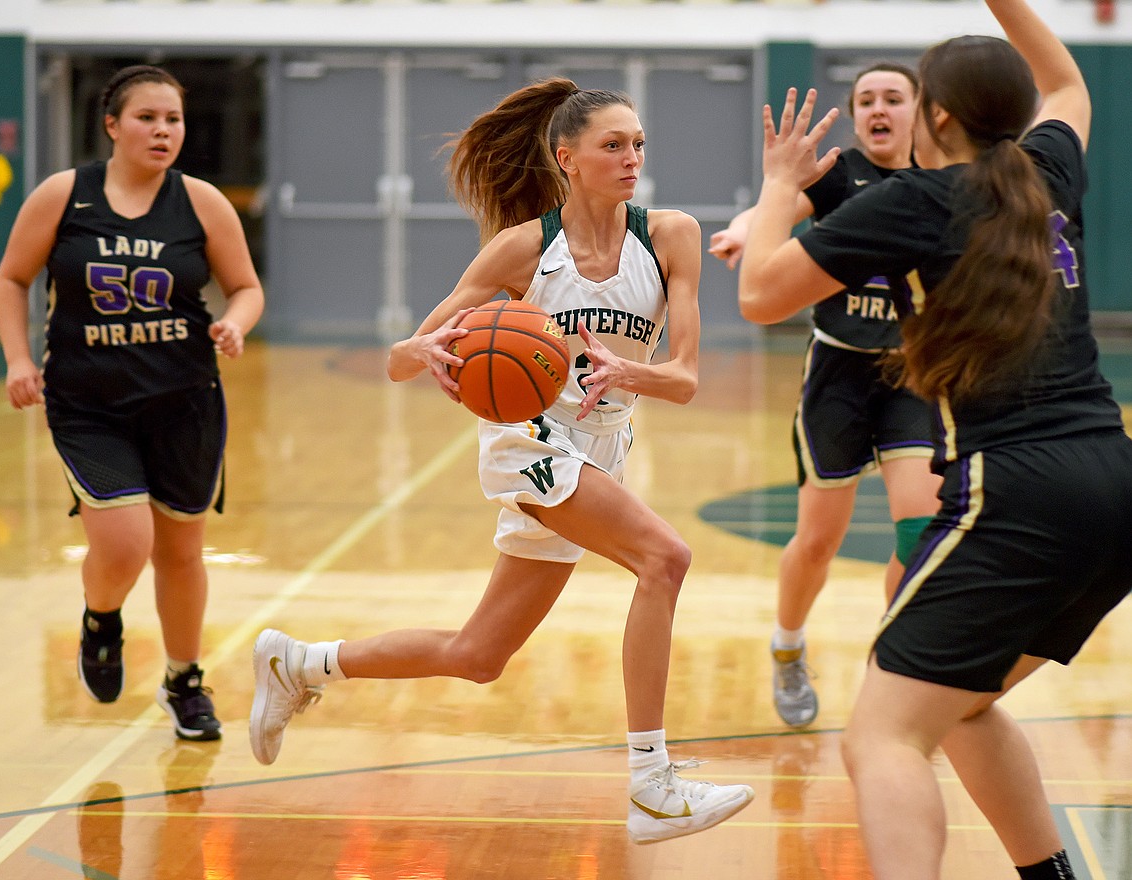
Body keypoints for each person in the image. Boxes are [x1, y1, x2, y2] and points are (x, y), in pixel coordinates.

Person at [249, 77, 755, 844]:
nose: (631, 159)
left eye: (638, 144)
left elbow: (683, 379)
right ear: (568, 158)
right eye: (613, 145)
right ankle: (652, 784)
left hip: (601, 447)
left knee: (480, 654)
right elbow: (398, 359)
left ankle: (302, 664)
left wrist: (631, 373)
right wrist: (420, 349)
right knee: (665, 559)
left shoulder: (670, 237)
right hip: (529, 443)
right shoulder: (524, 249)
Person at [737, 0, 1132, 876]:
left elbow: (762, 293)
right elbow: (1066, 80)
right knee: (957, 706)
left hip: (1015, 489)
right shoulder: (1046, 169)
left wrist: (776, 186)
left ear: (936, 117)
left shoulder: (917, 201)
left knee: (881, 738)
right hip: (1113, 484)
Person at [0, 65, 265, 741]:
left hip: (184, 400)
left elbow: (246, 287)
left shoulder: (200, 203)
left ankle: (183, 681)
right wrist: (19, 358)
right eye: (147, 118)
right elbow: (10, 277)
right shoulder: (65, 195)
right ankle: (101, 620)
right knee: (123, 542)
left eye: (172, 119)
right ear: (112, 125)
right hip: (90, 403)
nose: (162, 130)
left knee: (180, 552)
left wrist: (236, 321)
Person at [709, 63, 942, 728]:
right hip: (838, 375)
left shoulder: (938, 181)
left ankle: (894, 665)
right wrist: (746, 228)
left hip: (911, 376)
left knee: (920, 526)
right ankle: (788, 645)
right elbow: (779, 202)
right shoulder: (842, 176)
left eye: (893, 98)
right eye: (866, 99)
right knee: (817, 541)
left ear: (920, 110)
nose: (878, 108)